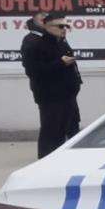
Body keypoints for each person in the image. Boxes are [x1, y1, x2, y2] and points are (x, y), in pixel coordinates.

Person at [21, 13, 83, 158]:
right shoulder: (34, 42)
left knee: (72, 128)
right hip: (51, 96)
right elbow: (33, 71)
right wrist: (60, 63)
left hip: (68, 94)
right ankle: (45, 162)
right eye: (60, 26)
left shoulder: (60, 41)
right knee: (51, 132)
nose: (64, 29)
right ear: (46, 26)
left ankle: (70, 160)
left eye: (66, 26)